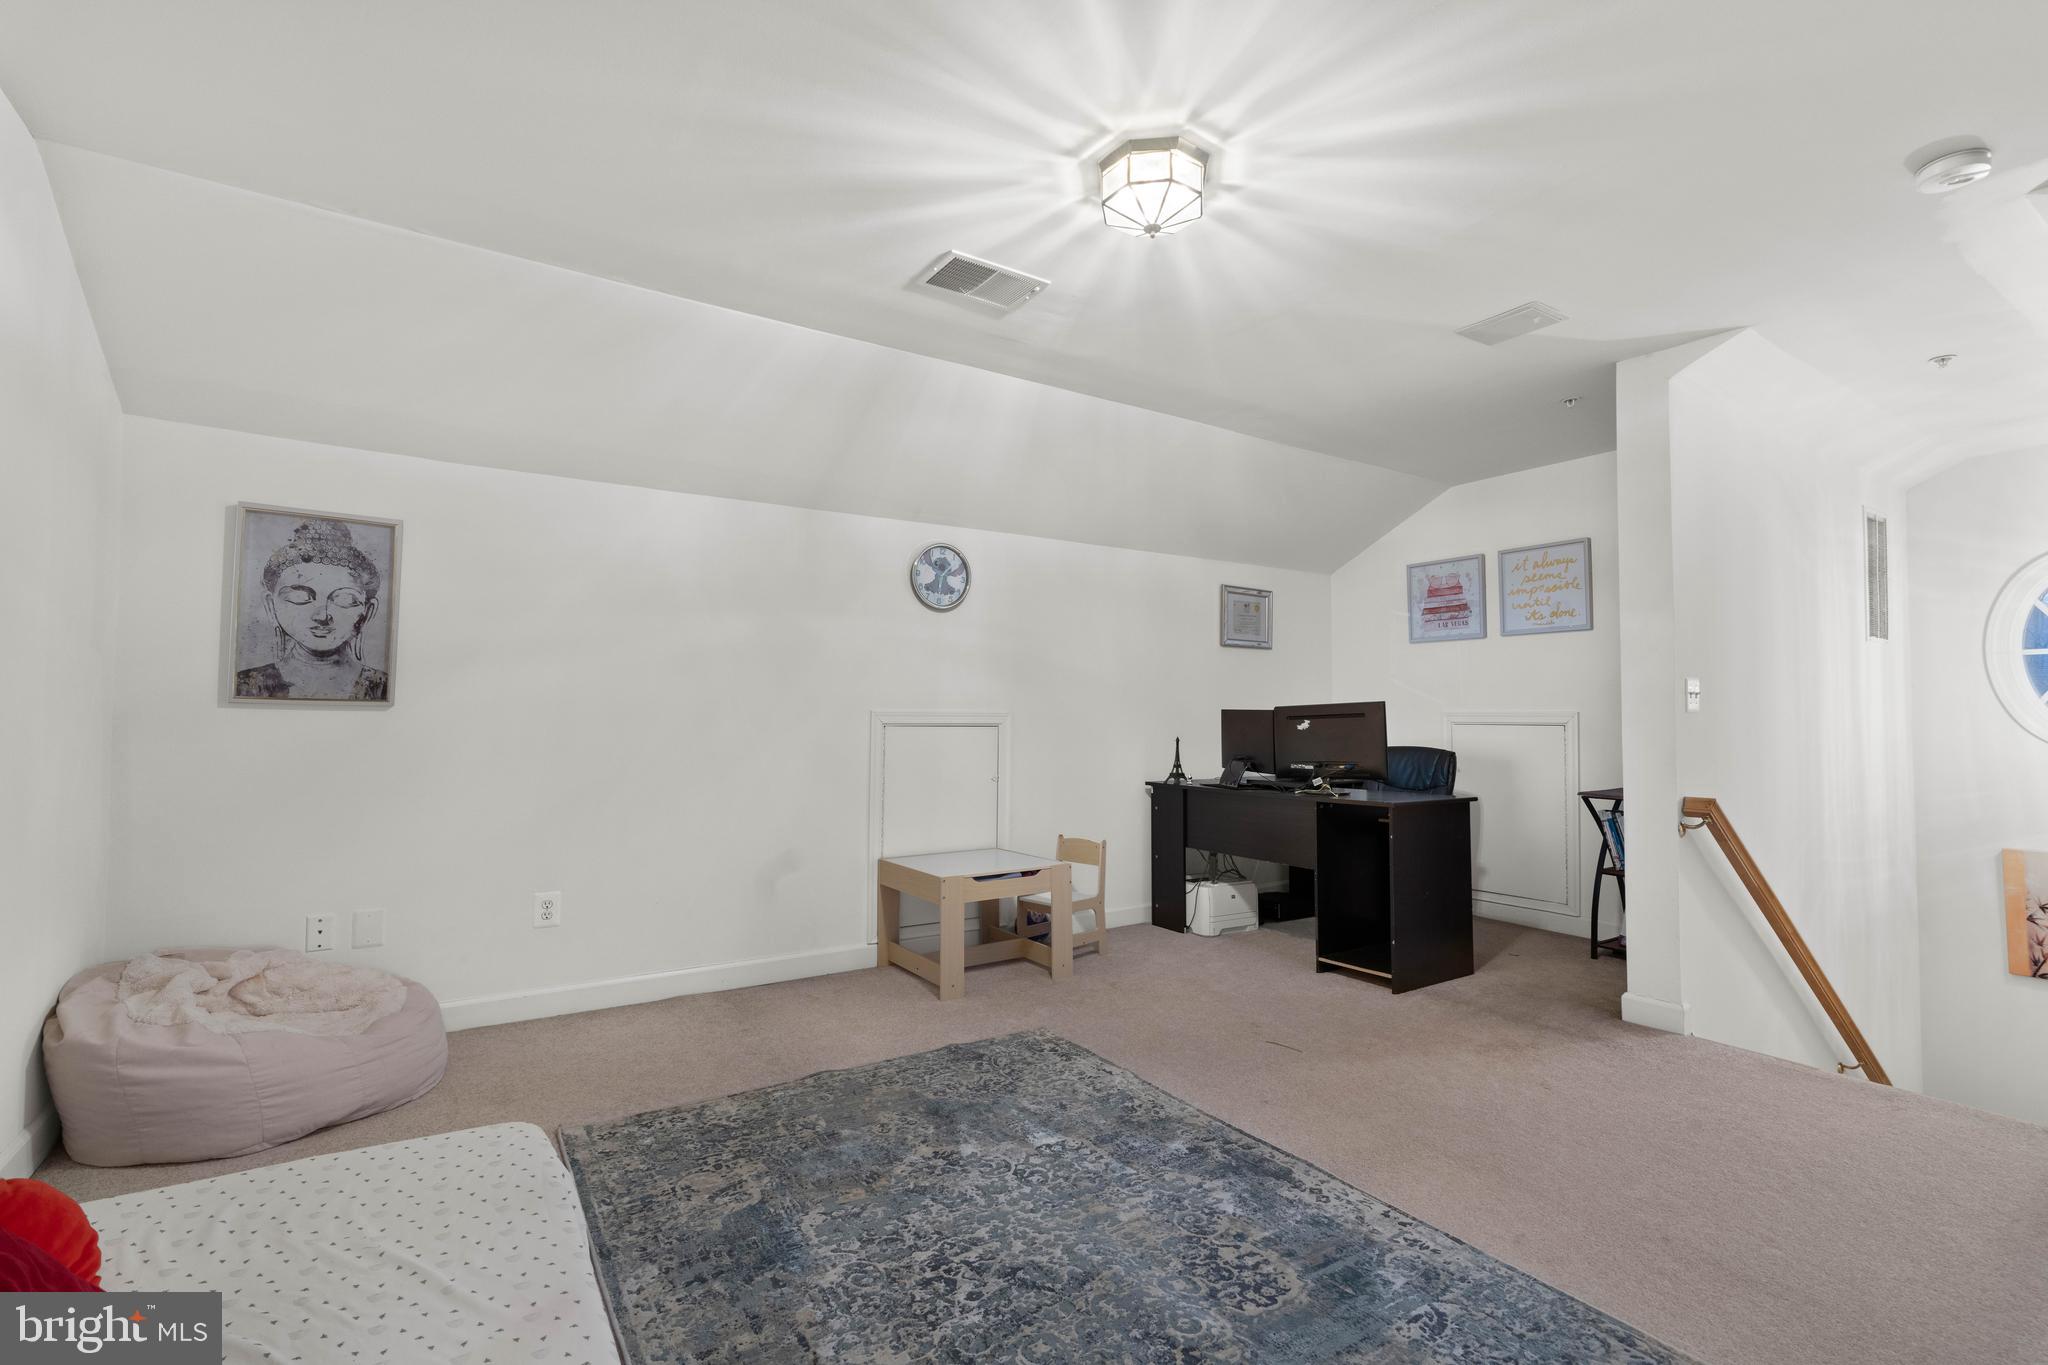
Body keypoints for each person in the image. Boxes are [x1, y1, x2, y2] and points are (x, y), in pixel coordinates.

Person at [234, 519, 389, 701]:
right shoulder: (244, 685)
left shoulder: (384, 687)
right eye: (299, 597)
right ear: (270, 605)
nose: (322, 616)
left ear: (368, 612)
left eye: (345, 599)